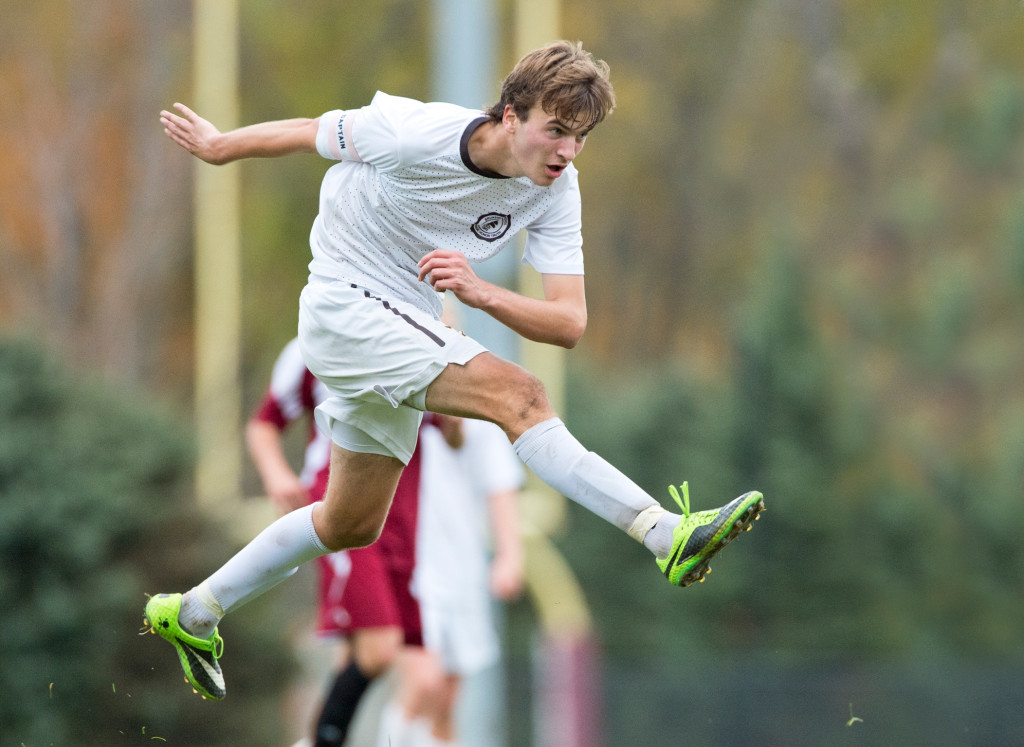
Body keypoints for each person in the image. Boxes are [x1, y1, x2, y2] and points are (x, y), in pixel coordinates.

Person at [143, 40, 765, 702]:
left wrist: (482, 293)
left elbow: (569, 322)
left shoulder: (556, 190)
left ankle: (196, 610)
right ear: (511, 115)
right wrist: (219, 147)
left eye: (580, 137)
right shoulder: (417, 133)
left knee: (353, 521)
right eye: (556, 130)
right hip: (343, 304)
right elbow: (312, 131)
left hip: (405, 315)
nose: (566, 150)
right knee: (521, 395)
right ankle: (663, 532)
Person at [246, 337, 425, 746]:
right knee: (380, 649)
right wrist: (277, 475)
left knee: (358, 653)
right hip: (342, 507)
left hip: (400, 520)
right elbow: (264, 422)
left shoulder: (417, 339)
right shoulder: (319, 337)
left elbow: (452, 437)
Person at [377, 414, 524, 746]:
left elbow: (500, 484)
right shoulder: (398, 392)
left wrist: (509, 555)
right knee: (423, 683)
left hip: (462, 567)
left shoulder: (478, 402)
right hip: (407, 564)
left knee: (445, 702)